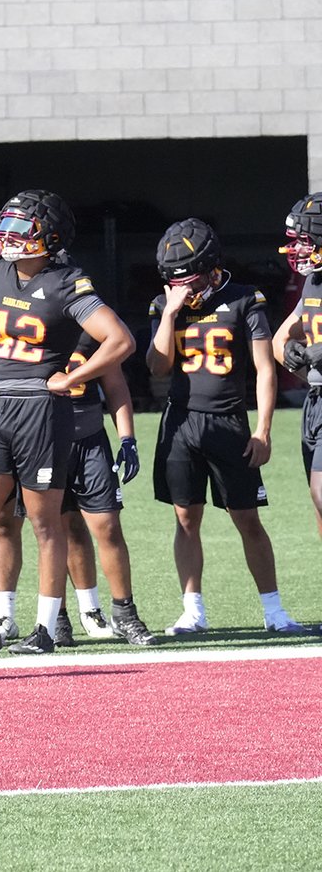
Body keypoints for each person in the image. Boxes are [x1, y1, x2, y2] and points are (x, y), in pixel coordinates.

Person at [0, 189, 135, 655]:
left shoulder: (69, 282)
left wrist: (74, 376)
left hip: (41, 410)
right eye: (8, 224)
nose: (9, 235)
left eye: (21, 227)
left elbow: (119, 340)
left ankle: (46, 628)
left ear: (48, 236)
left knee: (47, 524)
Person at [147, 217, 302, 635]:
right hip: (180, 423)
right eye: (178, 283)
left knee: (247, 518)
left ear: (213, 268)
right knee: (185, 518)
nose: (187, 290)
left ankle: (274, 612)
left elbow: (265, 368)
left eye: (193, 281)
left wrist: (263, 429)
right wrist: (170, 314)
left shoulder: (243, 299)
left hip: (229, 421)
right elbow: (157, 368)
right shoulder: (166, 306)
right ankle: (193, 610)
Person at [56, 334, 157, 646]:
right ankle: (56, 617)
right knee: (54, 532)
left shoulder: (91, 325)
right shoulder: (31, 318)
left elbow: (114, 386)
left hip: (90, 439)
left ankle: (124, 613)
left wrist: (127, 438)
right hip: (42, 440)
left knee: (108, 527)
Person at [273, 193, 322, 544]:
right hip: (316, 403)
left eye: (304, 240)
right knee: (317, 504)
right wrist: (293, 352)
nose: (299, 249)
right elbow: (279, 341)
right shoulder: (312, 281)